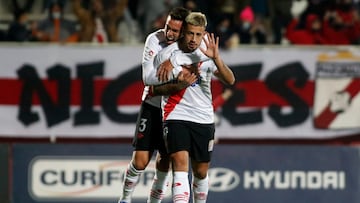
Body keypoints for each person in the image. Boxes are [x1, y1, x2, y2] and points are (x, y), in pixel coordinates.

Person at [149, 12, 235, 203]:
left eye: (198, 34)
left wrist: (217, 58)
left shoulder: (206, 55)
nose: (193, 39)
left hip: (203, 118)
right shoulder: (167, 56)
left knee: (201, 171)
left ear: (203, 34)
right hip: (175, 115)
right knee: (179, 164)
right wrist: (177, 84)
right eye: (190, 34)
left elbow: (230, 79)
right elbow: (154, 89)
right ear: (183, 33)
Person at [118, 7, 197, 203]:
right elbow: (148, 78)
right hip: (151, 105)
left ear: (184, 31)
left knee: (165, 162)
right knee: (140, 161)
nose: (169, 33)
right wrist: (176, 75)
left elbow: (197, 74)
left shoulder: (192, 46)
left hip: (173, 111)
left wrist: (172, 65)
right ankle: (125, 199)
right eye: (167, 27)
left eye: (175, 31)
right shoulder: (154, 39)